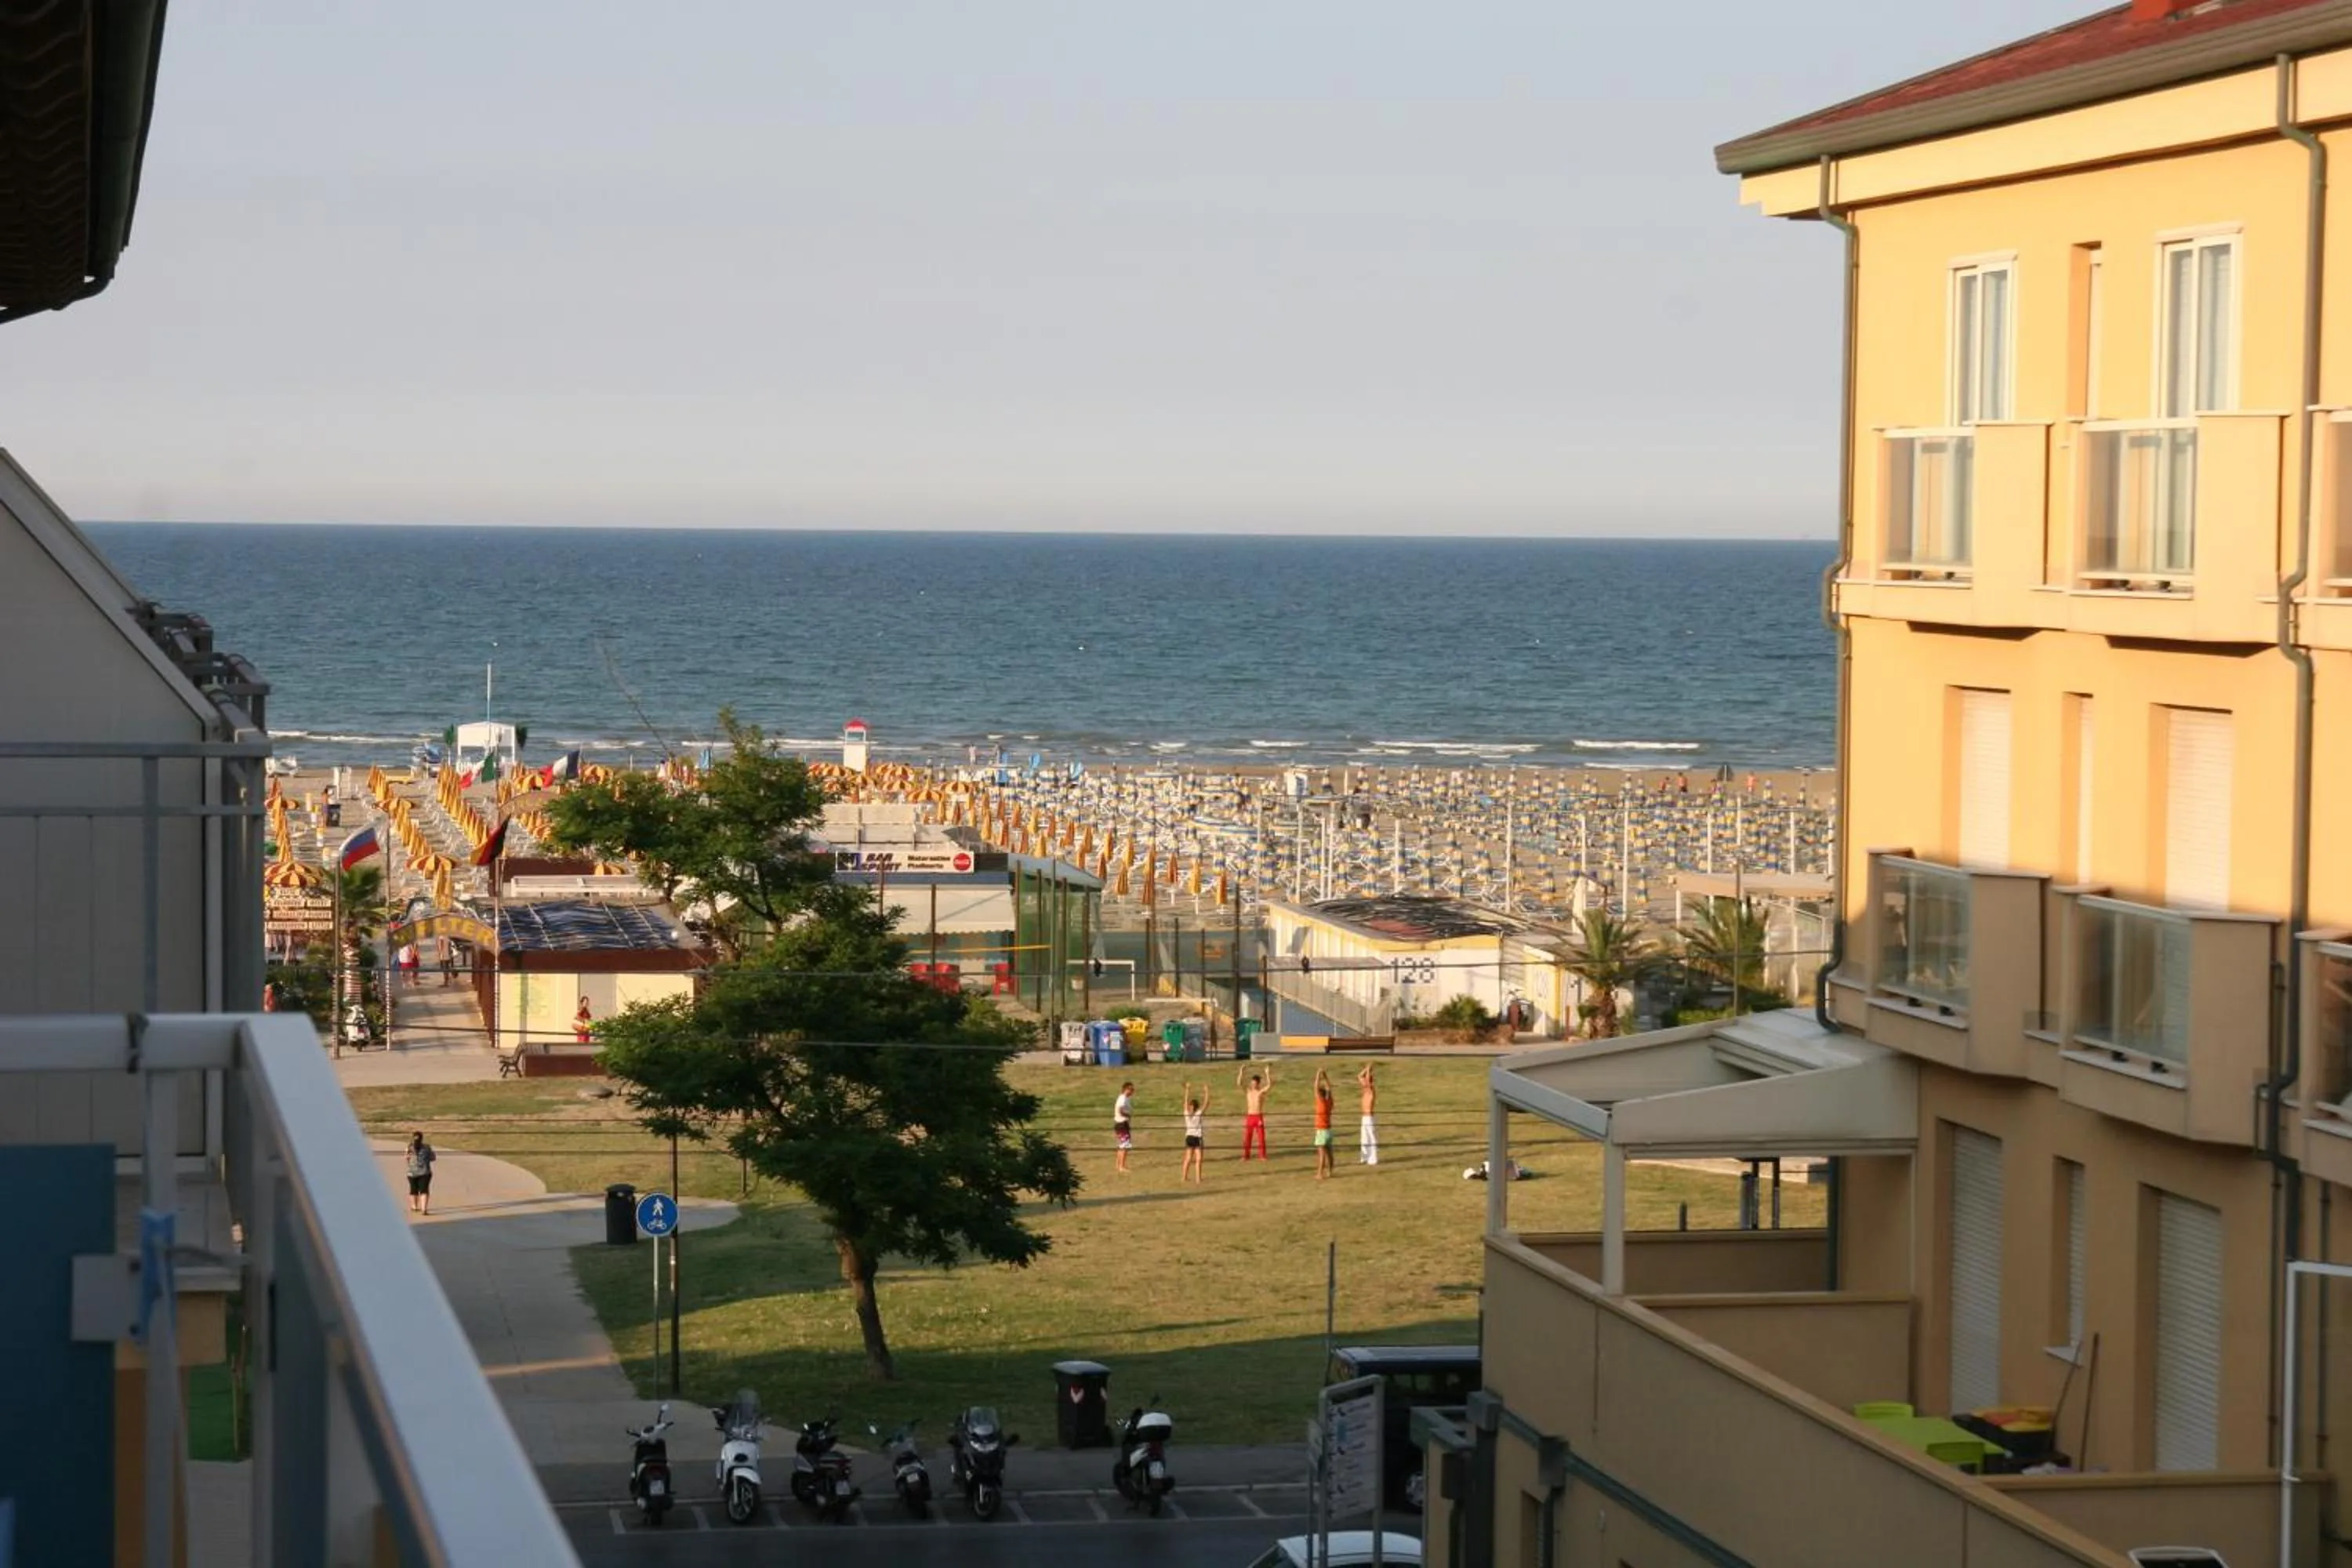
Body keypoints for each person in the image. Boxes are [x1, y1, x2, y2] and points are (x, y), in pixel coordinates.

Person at [1236, 1062, 1275, 1162]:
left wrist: (1267, 1073)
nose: (1252, 1085)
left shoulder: (1260, 1093)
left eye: (1254, 1083)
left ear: (1258, 1084)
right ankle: (1246, 1156)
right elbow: (1239, 1083)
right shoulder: (1248, 1091)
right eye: (1252, 1083)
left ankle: (1262, 1155)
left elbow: (1270, 1085)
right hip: (1250, 1117)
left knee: (1261, 1137)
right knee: (1247, 1137)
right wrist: (1241, 1071)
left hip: (1258, 1117)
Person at [1180, 1081, 1210, 1185]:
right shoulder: (1188, 1113)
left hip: (1194, 1137)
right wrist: (1187, 1090)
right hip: (1193, 1137)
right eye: (1189, 1106)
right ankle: (1186, 1177)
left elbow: (1206, 1104)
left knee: (1196, 1158)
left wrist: (1206, 1092)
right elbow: (1186, 1101)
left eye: (1191, 1106)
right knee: (1192, 1158)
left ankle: (1196, 1178)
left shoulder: (1197, 1113)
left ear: (1195, 1107)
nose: (1189, 1107)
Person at [405, 1131, 437, 1216]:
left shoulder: (409, 1147)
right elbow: (433, 1158)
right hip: (425, 1172)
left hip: (412, 1172)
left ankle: (414, 1206)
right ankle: (424, 1209)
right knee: (424, 1190)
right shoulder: (427, 1147)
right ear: (422, 1138)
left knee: (413, 1190)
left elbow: (406, 1158)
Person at [1312, 1069, 1336, 1181]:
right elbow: (1330, 1089)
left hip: (1321, 1130)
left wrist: (1318, 1075)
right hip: (1329, 1130)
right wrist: (1326, 1077)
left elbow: (1315, 1087)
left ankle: (1320, 1174)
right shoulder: (1329, 1102)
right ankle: (1330, 1172)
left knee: (1321, 1154)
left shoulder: (1321, 1102)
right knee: (1330, 1153)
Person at [1357, 1062, 1380, 1167]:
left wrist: (1368, 1071)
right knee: (1364, 1138)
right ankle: (1364, 1157)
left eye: (1366, 1079)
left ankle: (1373, 1159)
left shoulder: (1371, 1090)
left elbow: (1364, 1079)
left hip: (1369, 1117)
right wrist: (1366, 1069)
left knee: (1371, 1137)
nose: (1363, 1081)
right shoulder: (1365, 1090)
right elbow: (1359, 1076)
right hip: (1364, 1117)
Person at [1113, 1080, 1135, 1173]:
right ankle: (1121, 1166)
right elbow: (1120, 1110)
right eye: (1130, 1089)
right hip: (1122, 1124)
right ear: (1125, 1089)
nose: (1132, 1091)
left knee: (1122, 1145)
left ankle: (1118, 1165)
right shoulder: (1122, 1098)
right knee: (1125, 1145)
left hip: (1122, 1124)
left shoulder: (1125, 1099)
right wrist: (1127, 1115)